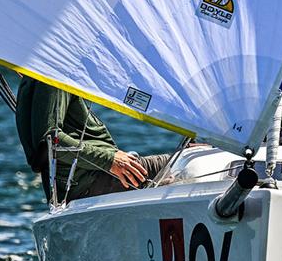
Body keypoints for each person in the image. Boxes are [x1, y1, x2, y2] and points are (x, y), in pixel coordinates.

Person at [15, 75, 172, 204]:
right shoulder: (51, 77)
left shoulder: (32, 82)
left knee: (191, 154)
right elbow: (50, 142)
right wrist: (110, 160)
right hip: (89, 182)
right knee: (190, 160)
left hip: (82, 183)